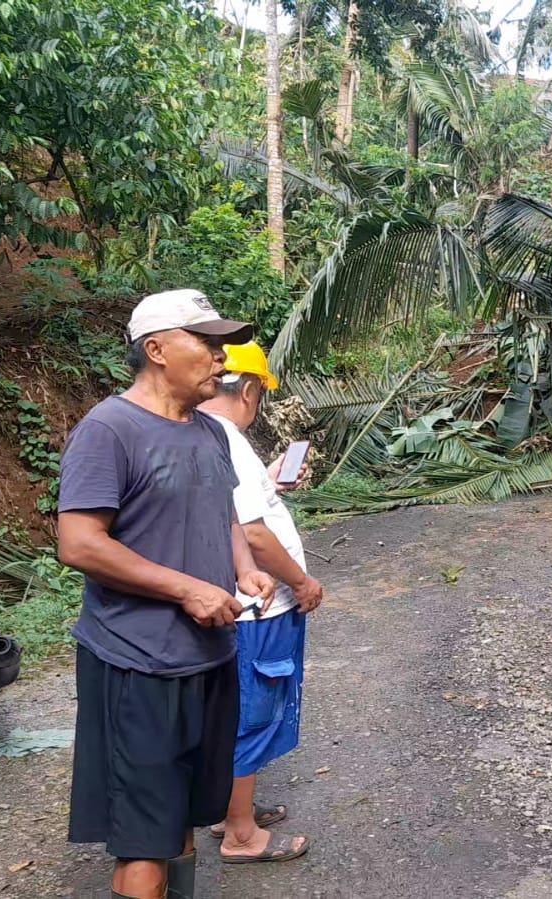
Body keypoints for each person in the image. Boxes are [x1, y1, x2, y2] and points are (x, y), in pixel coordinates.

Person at [57, 288, 276, 899]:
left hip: (208, 656)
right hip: (138, 663)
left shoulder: (208, 433)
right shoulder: (109, 429)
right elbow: (79, 543)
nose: (221, 359)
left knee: (181, 816)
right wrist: (187, 589)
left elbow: (223, 512)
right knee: (144, 839)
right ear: (155, 349)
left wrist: (241, 570)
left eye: (221, 346)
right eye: (205, 344)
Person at [197, 342, 323, 865]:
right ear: (250, 390)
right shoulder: (227, 437)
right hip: (261, 608)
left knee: (238, 710)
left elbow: (237, 512)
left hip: (239, 605)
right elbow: (253, 532)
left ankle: (231, 810)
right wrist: (304, 582)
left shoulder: (197, 433)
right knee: (252, 713)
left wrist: (267, 486)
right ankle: (241, 834)